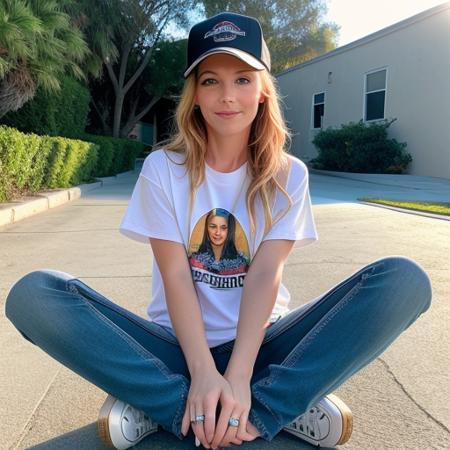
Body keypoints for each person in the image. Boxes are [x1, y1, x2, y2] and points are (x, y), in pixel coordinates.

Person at [4, 11, 432, 450]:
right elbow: (176, 276)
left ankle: (221, 408)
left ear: (263, 91)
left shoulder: (289, 175)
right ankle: (220, 404)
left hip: (265, 347)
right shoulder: (162, 169)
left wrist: (240, 375)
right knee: (35, 294)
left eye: (243, 79)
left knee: (403, 282)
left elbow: (266, 275)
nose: (228, 96)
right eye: (211, 81)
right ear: (194, 94)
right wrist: (205, 372)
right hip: (175, 350)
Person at [189, 208, 249, 276]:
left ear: (230, 230)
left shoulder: (242, 266)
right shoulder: (193, 262)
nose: (217, 233)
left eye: (223, 228)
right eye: (213, 227)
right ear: (207, 229)